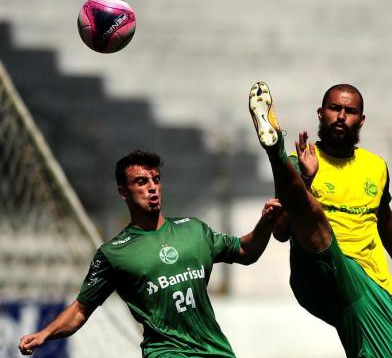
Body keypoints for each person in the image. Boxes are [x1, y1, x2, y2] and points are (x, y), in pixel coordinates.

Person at [19, 150, 280, 357]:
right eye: (141, 182)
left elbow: (246, 250)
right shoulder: (113, 253)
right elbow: (80, 310)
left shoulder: (194, 230)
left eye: (156, 180)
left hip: (214, 350)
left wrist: (266, 223)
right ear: (123, 192)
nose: (152, 187)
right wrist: (45, 334)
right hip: (165, 353)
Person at [248, 80, 392, 357]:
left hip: (371, 285)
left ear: (361, 120)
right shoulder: (299, 163)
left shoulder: (377, 167)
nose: (341, 116)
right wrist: (305, 179)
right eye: (334, 108)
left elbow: (385, 224)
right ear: (320, 112)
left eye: (349, 111)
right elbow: (280, 232)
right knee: (314, 214)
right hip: (315, 273)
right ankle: (273, 148)